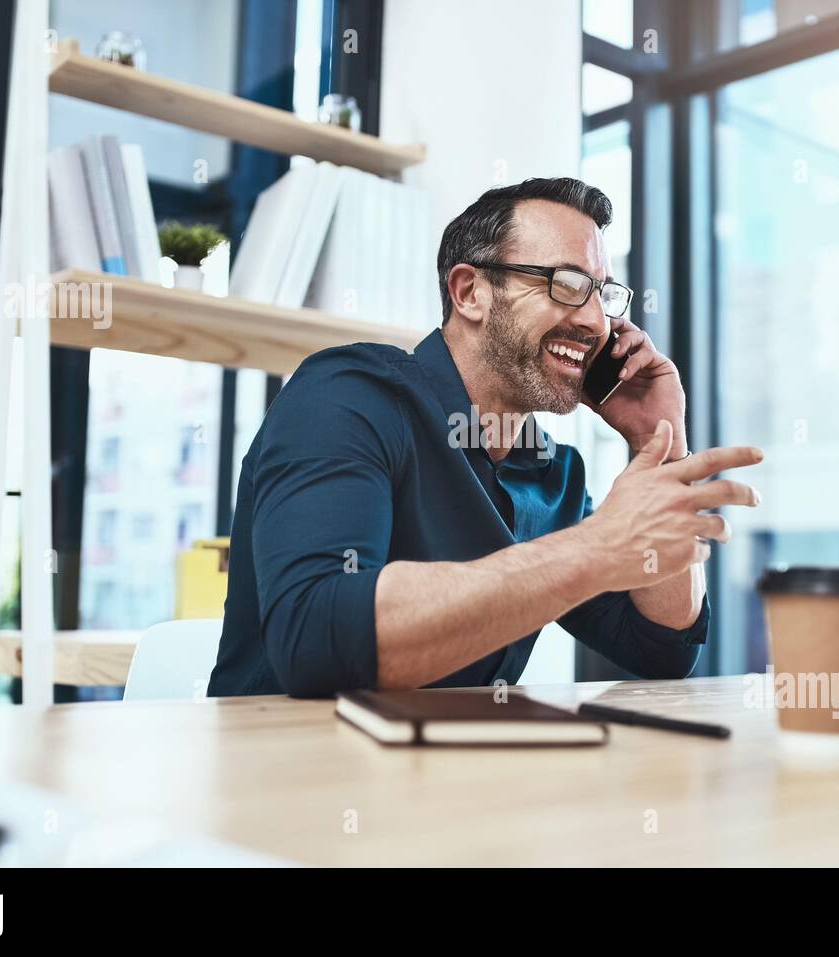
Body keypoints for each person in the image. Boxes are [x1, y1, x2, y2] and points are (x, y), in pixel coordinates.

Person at [208, 177, 762, 698]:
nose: (597, 321)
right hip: (291, 781)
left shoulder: (552, 475)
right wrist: (596, 548)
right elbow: (315, 639)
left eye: (604, 294)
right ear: (470, 291)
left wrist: (657, 441)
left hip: (450, 784)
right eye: (567, 285)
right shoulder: (347, 397)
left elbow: (661, 649)